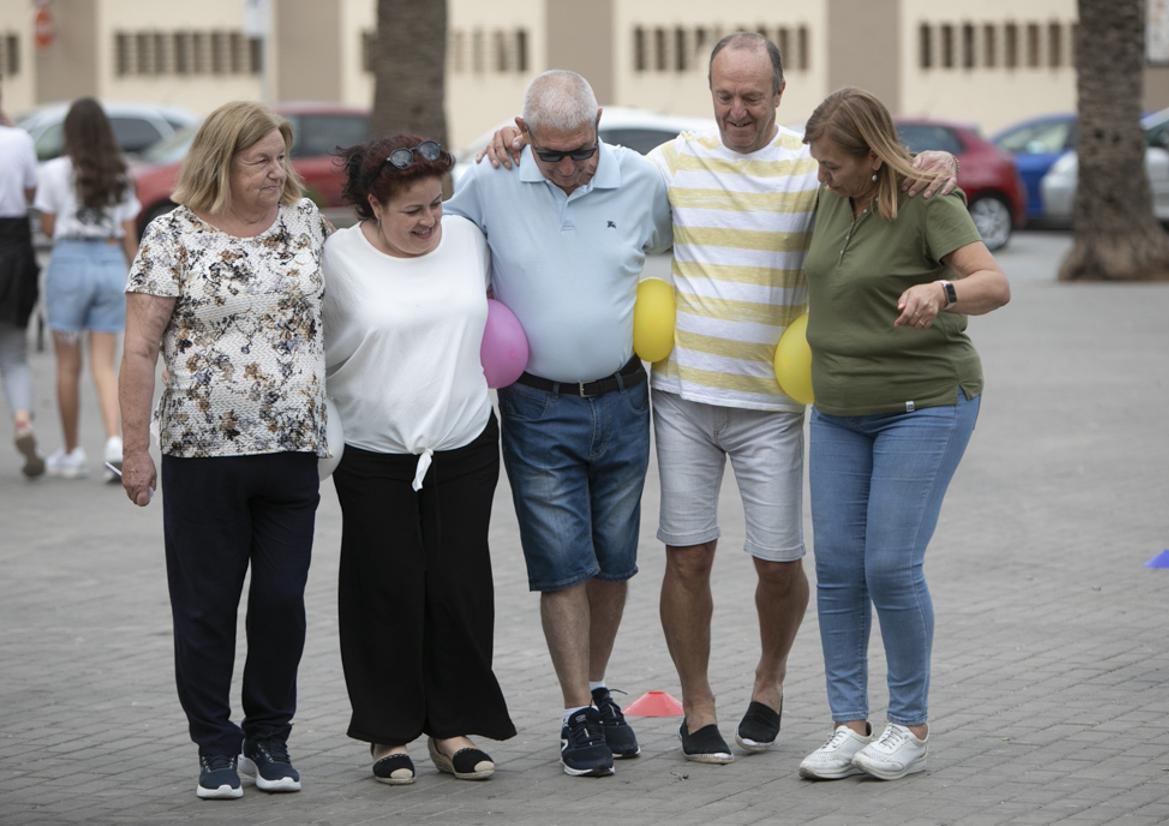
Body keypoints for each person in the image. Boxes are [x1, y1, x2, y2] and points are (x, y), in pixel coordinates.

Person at [481, 34, 956, 764]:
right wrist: (510, 135)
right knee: (687, 558)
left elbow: (882, 183)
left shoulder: (813, 166)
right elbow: (565, 161)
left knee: (777, 563)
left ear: (780, 92)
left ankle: (769, 683)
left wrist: (936, 162)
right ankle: (697, 705)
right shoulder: (668, 165)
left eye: (752, 97)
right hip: (681, 395)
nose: (737, 111)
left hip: (771, 402)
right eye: (724, 96)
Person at [448, 69, 673, 778]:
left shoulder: (642, 179)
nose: (571, 167)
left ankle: (598, 685)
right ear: (525, 135)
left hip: (623, 396)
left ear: (599, 122)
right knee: (560, 561)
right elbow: (415, 210)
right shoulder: (492, 179)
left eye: (582, 149)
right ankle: (578, 711)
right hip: (538, 405)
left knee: (613, 558)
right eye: (554, 154)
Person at [796, 87, 1009, 781]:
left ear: (871, 158)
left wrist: (941, 292)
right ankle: (847, 726)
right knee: (835, 566)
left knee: (888, 564)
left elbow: (993, 283)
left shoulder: (926, 196)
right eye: (819, 164)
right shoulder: (829, 195)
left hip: (924, 404)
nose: (822, 177)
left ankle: (910, 726)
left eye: (833, 166)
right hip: (837, 410)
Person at [118, 101, 329, 800]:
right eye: (261, 160)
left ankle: (270, 737)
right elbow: (141, 348)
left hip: (293, 450)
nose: (278, 172)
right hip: (200, 455)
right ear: (221, 163)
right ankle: (215, 744)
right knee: (206, 607)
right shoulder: (172, 236)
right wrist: (135, 447)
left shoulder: (304, 223)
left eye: (280, 157)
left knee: (279, 602)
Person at [323, 134, 516, 786]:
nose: (430, 221)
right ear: (372, 204)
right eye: (412, 211)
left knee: (458, 587)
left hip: (462, 442)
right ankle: (388, 734)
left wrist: (507, 137)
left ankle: (452, 727)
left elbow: (504, 164)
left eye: (436, 205)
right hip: (374, 451)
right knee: (387, 588)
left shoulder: (466, 239)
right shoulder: (336, 260)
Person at [34, 97, 139, 481]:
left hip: (69, 266)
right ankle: (114, 442)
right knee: (103, 364)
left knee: (67, 364)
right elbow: (129, 234)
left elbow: (47, 226)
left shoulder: (54, 171)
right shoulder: (121, 172)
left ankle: (71, 451)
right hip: (110, 263)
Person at [0, 91, 45, 478]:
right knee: (14, 354)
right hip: (13, 247)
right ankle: (22, 422)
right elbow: (32, 192)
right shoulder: (18, 140)